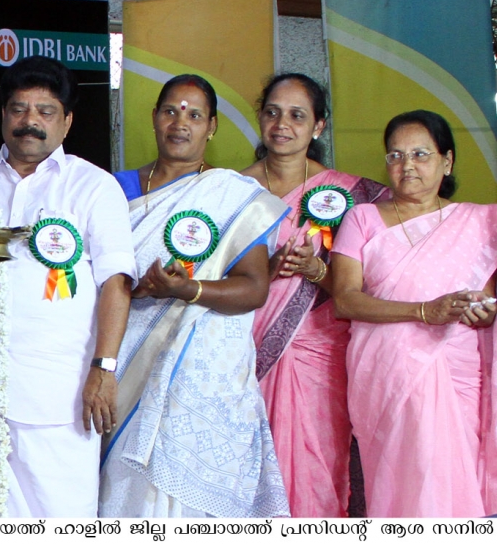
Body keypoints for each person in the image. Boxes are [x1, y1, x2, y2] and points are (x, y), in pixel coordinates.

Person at [0, 56, 136, 518]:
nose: (30, 122)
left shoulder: (93, 187)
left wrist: (104, 369)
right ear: (0, 116)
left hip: (60, 401)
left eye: (45, 111)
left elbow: (116, 282)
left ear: (68, 122)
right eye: (19, 109)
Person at [99, 74, 290, 518]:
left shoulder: (234, 196)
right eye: (170, 110)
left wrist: (188, 289)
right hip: (122, 365)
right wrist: (134, 286)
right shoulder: (112, 189)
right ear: (153, 118)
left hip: (202, 380)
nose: (180, 122)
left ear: (212, 126)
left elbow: (254, 287)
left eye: (194, 114)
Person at [330, 110, 497, 517]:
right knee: (399, 488)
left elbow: (488, 300)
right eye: (395, 156)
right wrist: (424, 311)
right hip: (386, 375)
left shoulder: (479, 222)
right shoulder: (362, 218)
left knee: (452, 483)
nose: (407, 166)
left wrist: (486, 312)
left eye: (421, 154)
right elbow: (345, 299)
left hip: (454, 372)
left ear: (448, 161)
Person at [239, 74, 387, 517]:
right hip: (241, 353)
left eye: (297, 115)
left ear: (318, 126)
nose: (282, 124)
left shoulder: (353, 196)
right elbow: (208, 272)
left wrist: (315, 269)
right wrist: (263, 271)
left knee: (317, 470)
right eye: (273, 112)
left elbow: (370, 288)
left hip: (320, 356)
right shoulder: (229, 188)